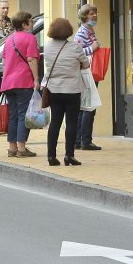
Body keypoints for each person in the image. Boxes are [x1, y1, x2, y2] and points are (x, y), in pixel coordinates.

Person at [44, 18, 90, 166]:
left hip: (54, 90)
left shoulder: (47, 47)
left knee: (55, 123)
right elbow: (86, 64)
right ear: (68, 31)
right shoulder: (75, 47)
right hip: (72, 90)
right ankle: (69, 156)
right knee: (71, 123)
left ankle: (51, 156)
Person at [1, 11, 40, 158]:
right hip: (24, 81)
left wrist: (4, 80)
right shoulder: (30, 38)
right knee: (24, 115)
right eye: (30, 21)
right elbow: (31, 60)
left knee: (13, 115)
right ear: (24, 24)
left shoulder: (9, 39)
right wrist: (36, 79)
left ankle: (12, 148)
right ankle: (22, 149)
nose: (32, 23)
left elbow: (4, 63)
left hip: (8, 82)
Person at [73, 4, 102, 151]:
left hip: (91, 72)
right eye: (91, 13)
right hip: (86, 73)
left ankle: (79, 140)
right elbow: (76, 53)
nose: (95, 15)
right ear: (85, 16)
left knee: (86, 105)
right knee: (88, 106)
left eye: (96, 12)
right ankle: (85, 140)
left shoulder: (90, 31)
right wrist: (93, 48)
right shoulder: (81, 33)